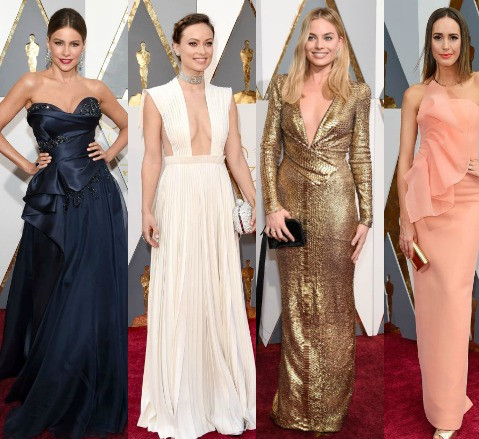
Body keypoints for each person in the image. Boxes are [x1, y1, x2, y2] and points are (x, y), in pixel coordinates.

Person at [0, 8, 127, 438]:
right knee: (52, 289)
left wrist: (109, 153)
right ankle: (50, 374)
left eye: (74, 44)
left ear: (83, 45)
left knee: (87, 292)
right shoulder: (31, 84)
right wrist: (26, 165)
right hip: (52, 204)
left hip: (96, 199)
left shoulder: (95, 88)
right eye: (59, 43)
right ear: (48, 43)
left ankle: (82, 376)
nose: (66, 51)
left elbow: (127, 126)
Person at [137, 13, 256, 438]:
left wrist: (255, 201)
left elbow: (235, 156)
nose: (201, 51)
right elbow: (152, 157)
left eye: (207, 43)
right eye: (192, 43)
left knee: (218, 289)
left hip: (215, 195)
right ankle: (181, 398)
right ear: (176, 46)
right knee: (182, 289)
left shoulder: (225, 97)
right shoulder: (157, 97)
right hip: (178, 195)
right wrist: (146, 209)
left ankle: (219, 395)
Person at [396, 7, 479, 439]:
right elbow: (405, 161)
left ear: (464, 42)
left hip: (466, 201)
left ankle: (448, 414)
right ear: (429, 43)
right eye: (438, 37)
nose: (446, 46)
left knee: (455, 300)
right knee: (430, 308)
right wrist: (405, 221)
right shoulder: (414, 95)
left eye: (453, 37)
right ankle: (442, 402)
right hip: (424, 206)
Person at [260, 7, 372, 432]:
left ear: (340, 44)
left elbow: (360, 155)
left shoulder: (357, 93)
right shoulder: (282, 86)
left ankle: (328, 410)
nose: (319, 45)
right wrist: (272, 205)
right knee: (296, 303)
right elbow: (269, 148)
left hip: (337, 208)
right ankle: (294, 408)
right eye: (312, 37)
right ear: (302, 42)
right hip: (288, 208)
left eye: (328, 37)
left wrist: (366, 216)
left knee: (335, 307)